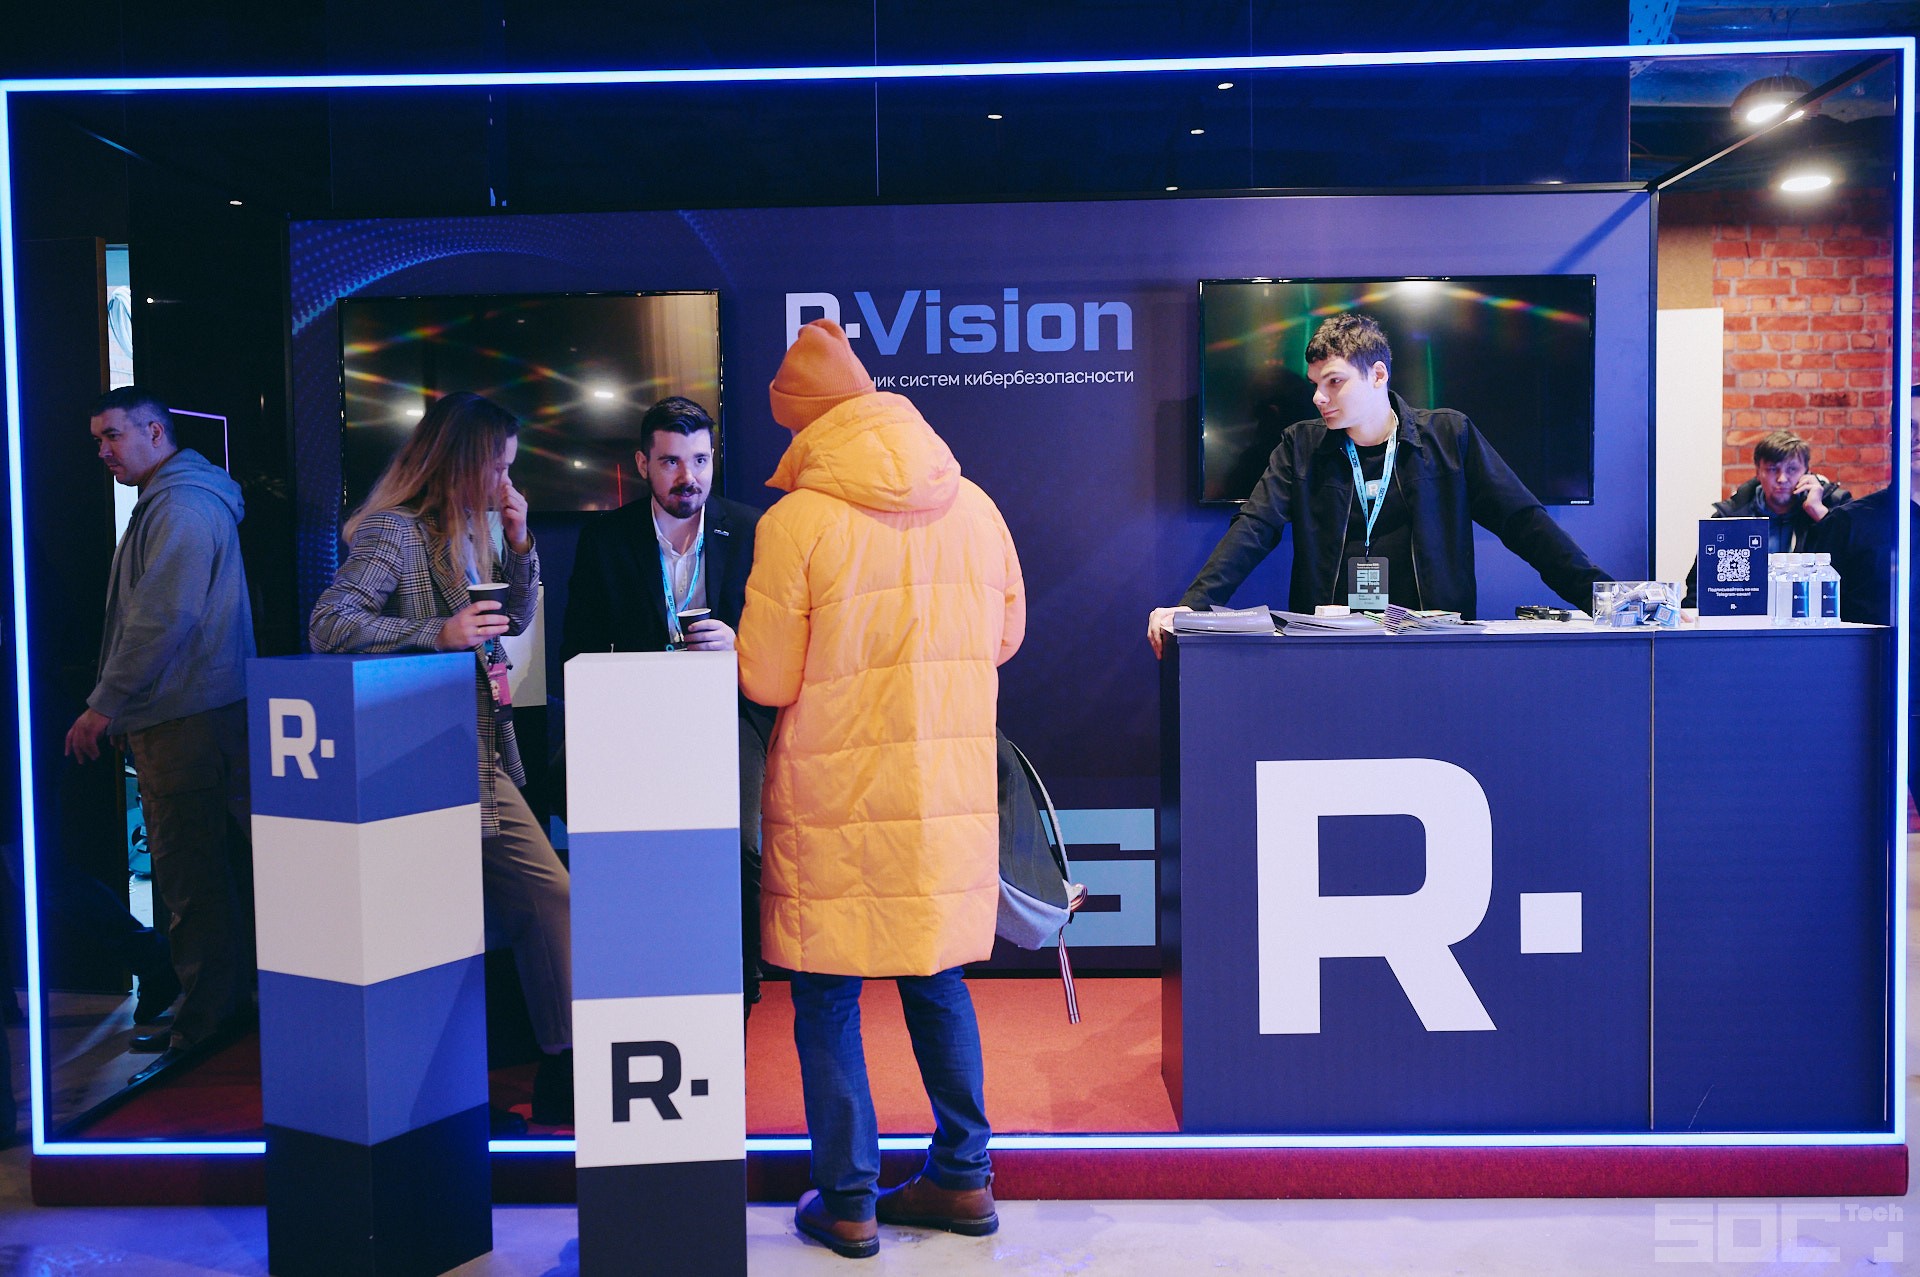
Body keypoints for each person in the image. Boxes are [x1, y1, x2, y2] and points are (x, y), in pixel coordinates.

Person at [739, 319, 1024, 1260]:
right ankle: (964, 1175)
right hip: (941, 790)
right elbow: (1006, 638)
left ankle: (850, 1198)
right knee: (937, 979)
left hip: (833, 795)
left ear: (805, 424)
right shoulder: (974, 504)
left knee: (826, 994)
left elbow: (767, 677)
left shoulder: (795, 522)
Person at [308, 391, 574, 1126]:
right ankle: (506, 1081)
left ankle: (555, 1067)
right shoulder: (395, 530)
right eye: (498, 468)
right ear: (463, 462)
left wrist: (521, 543)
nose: (506, 483)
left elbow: (512, 621)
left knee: (531, 901)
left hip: (474, 748)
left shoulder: (473, 528)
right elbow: (328, 624)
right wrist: (438, 633)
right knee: (499, 909)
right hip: (419, 755)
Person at [1147, 313, 1610, 652]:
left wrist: (1607, 599)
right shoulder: (1301, 445)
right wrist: (1194, 606)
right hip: (1327, 646)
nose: (1318, 397)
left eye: (1334, 382)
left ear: (1378, 374)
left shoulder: (1449, 436)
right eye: (1315, 383)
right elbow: (1254, 527)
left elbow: (1524, 523)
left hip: (1432, 646)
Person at [561, 394, 773, 1014]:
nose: (689, 477)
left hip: (731, 711)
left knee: (739, 842)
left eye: (700, 460)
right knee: (632, 841)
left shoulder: (754, 529)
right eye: (672, 462)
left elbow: (791, 640)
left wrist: (739, 646)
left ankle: (740, 979)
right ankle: (644, 975)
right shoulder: (606, 538)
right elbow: (576, 647)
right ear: (643, 464)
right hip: (638, 715)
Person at [66, 387, 255, 1080]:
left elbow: (163, 617)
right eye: (98, 439)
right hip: (190, 713)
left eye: (112, 435)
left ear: (154, 431)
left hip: (182, 719)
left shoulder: (180, 504)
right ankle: (212, 1015)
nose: (103, 451)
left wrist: (104, 705)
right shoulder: (178, 498)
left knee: (189, 877)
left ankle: (202, 1031)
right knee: (202, 875)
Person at [1822, 386, 1920, 793]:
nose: (1918, 439)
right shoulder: (1849, 524)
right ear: (1893, 439)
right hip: (1878, 703)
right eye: (1910, 429)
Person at [1681, 430, 1851, 607]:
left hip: (1811, 616)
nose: (1782, 479)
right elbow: (1699, 587)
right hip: (1746, 616)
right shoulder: (1730, 518)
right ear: (1758, 472)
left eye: (1792, 469)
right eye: (1772, 469)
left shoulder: (1837, 507)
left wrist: (1821, 515)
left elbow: (1854, 575)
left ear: (1807, 473)